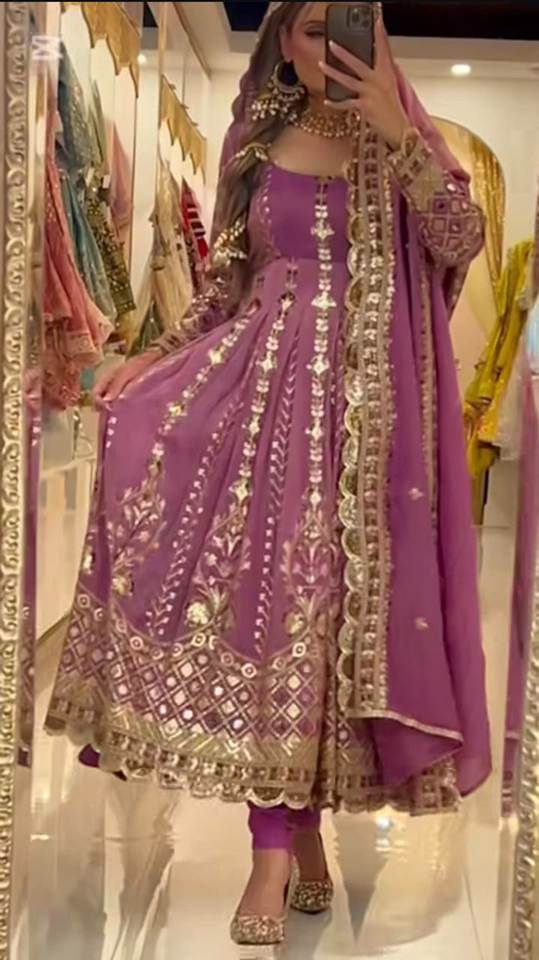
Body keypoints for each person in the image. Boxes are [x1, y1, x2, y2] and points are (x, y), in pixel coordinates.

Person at [45, 1, 491, 949]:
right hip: (255, 409)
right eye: (310, 26)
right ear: (281, 39)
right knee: (273, 615)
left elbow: (459, 242)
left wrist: (397, 133)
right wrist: (152, 357)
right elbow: (224, 285)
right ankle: (274, 847)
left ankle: (297, 836)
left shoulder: (402, 140)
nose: (328, 44)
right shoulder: (257, 140)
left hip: (365, 434)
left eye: (348, 23)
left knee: (327, 627)